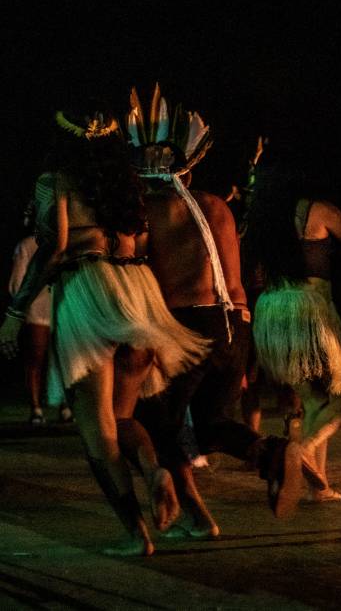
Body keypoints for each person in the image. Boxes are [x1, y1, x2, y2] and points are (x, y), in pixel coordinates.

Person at [0, 112, 209, 555]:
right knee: (123, 417)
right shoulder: (127, 183)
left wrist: (17, 311)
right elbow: (145, 242)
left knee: (98, 433)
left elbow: (54, 246)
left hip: (87, 290)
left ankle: (136, 534)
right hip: (137, 290)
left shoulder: (54, 180)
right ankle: (156, 472)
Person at [126, 85, 308, 532]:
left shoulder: (147, 211)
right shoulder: (217, 206)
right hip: (233, 323)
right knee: (211, 425)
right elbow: (235, 279)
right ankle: (268, 451)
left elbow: (141, 275)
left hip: (181, 325)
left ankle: (197, 516)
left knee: (156, 427)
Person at [247, 162, 341, 501]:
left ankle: (320, 485)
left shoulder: (260, 219)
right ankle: (299, 452)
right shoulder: (317, 210)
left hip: (271, 310)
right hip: (308, 307)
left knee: (315, 400)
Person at [7, 201, 68, 425]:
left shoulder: (64, 243)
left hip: (62, 306)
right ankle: (36, 408)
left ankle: (65, 405)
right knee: (36, 358)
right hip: (39, 309)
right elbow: (16, 284)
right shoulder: (28, 245)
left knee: (64, 359)